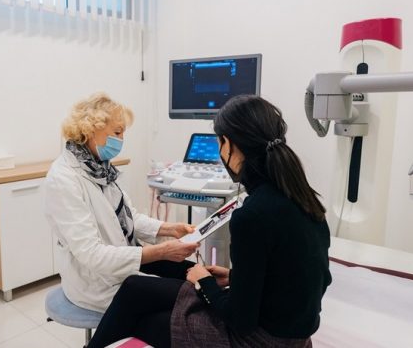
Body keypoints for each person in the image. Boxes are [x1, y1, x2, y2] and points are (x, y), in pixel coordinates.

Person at [88, 95, 332, 348]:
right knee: (135, 286)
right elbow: (294, 276)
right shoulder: (304, 198)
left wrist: (204, 281)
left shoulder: (252, 216)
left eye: (219, 142)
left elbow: (241, 321)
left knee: (144, 319)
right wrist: (235, 277)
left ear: (229, 145)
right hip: (295, 336)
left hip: (259, 340)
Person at [43, 92, 200, 313]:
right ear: (89, 131)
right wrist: (160, 252)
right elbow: (92, 254)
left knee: (200, 276)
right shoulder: (64, 180)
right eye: (117, 132)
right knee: (188, 296)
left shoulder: (101, 168)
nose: (122, 140)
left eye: (123, 132)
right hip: (95, 284)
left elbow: (127, 216)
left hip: (120, 262)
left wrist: (170, 229)